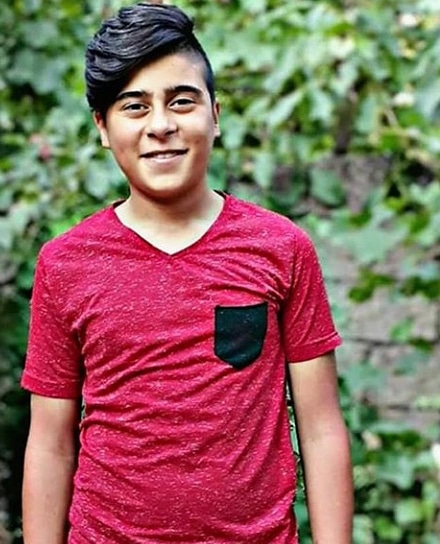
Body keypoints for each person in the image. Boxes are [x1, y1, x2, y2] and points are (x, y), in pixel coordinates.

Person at [20, 3, 354, 543]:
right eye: (135, 106)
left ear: (215, 116)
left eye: (181, 101)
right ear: (103, 127)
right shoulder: (66, 263)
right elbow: (50, 443)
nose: (161, 125)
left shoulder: (279, 247)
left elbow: (320, 428)